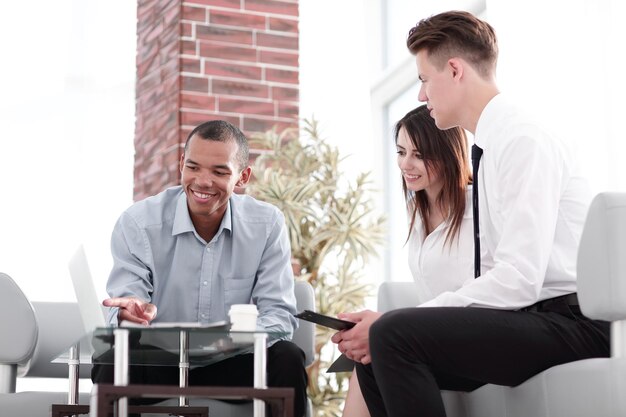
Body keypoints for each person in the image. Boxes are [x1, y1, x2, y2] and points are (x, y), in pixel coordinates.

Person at [336, 10, 611, 417]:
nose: (421, 96)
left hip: (573, 324)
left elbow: (518, 278)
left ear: (454, 70)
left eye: (424, 80)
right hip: (534, 319)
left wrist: (395, 320)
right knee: (376, 355)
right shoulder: (490, 145)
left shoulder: (522, 139)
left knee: (392, 334)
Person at [91, 120, 308, 417]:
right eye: (193, 167)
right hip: (161, 364)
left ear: (242, 176)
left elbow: (279, 316)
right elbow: (128, 302)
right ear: (181, 165)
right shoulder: (139, 222)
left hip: (234, 363)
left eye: (219, 172)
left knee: (287, 358)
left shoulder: (267, 225)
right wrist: (130, 314)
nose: (203, 181)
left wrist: (227, 342)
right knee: (111, 360)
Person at [339, 104, 473, 417]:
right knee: (367, 356)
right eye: (401, 152)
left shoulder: (476, 209)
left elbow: (481, 292)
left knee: (379, 349)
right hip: (432, 337)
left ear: (448, 152)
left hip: (469, 336)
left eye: (420, 154)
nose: (406, 164)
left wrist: (391, 326)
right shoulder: (416, 211)